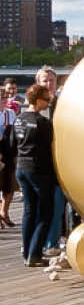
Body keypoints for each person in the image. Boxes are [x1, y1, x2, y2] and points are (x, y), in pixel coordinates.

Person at [15, 83, 56, 265]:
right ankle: (35, 254)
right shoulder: (42, 123)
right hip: (38, 170)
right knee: (45, 213)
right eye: (47, 100)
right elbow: (49, 149)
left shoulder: (19, 118)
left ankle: (26, 252)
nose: (48, 103)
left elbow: (11, 143)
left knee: (28, 211)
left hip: (21, 167)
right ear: (38, 101)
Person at [35, 65, 67, 251]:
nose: (49, 84)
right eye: (45, 80)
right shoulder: (34, 108)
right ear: (38, 83)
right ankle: (38, 242)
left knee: (58, 202)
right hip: (41, 162)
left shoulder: (64, 104)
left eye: (52, 80)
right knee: (40, 204)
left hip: (61, 161)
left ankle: (53, 241)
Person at [0, 90, 15, 229]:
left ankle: (4, 212)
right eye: (1, 98)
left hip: (8, 152)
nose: (4, 100)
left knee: (9, 186)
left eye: (5, 97)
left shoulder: (10, 113)